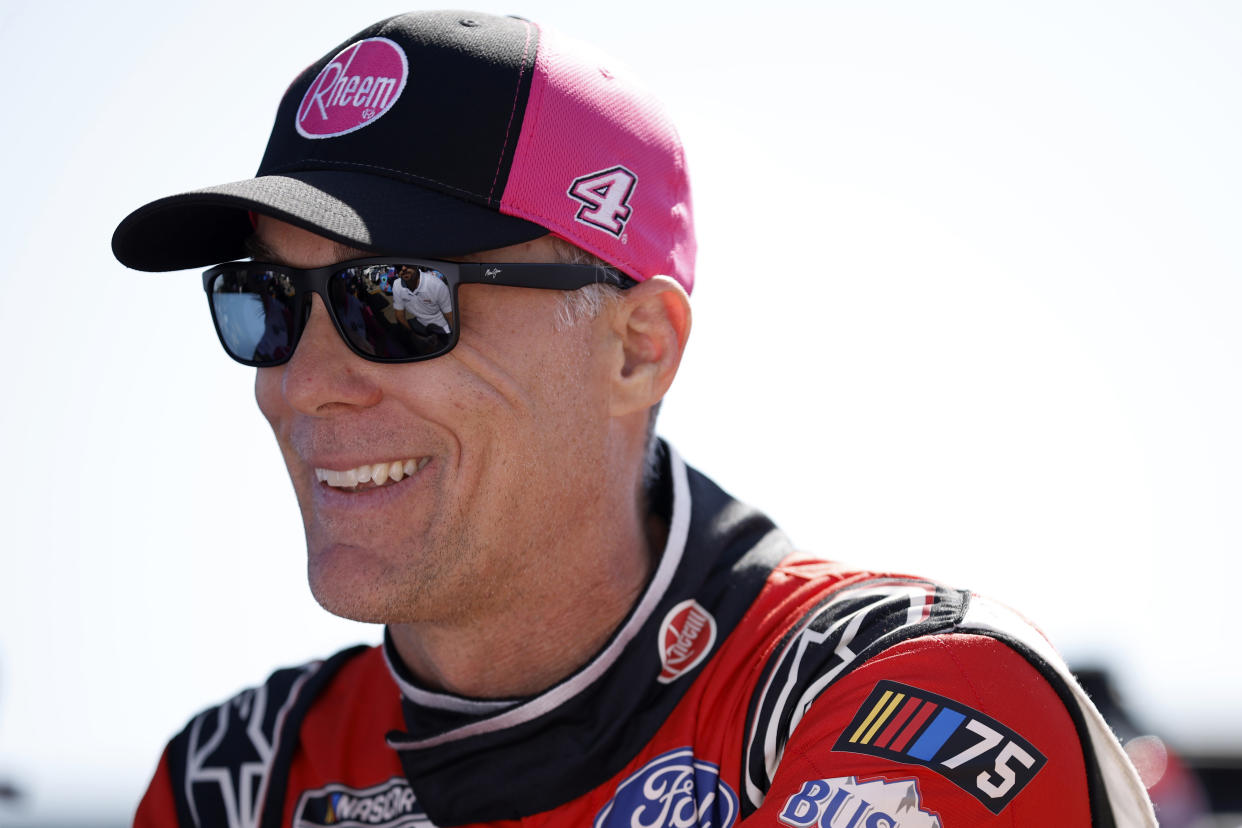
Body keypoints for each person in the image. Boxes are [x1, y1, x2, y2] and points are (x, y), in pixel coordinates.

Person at [112, 10, 1157, 827]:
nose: (303, 383)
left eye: (395, 298)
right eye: (266, 303)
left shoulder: (916, 695)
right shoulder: (236, 782)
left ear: (638, 345)